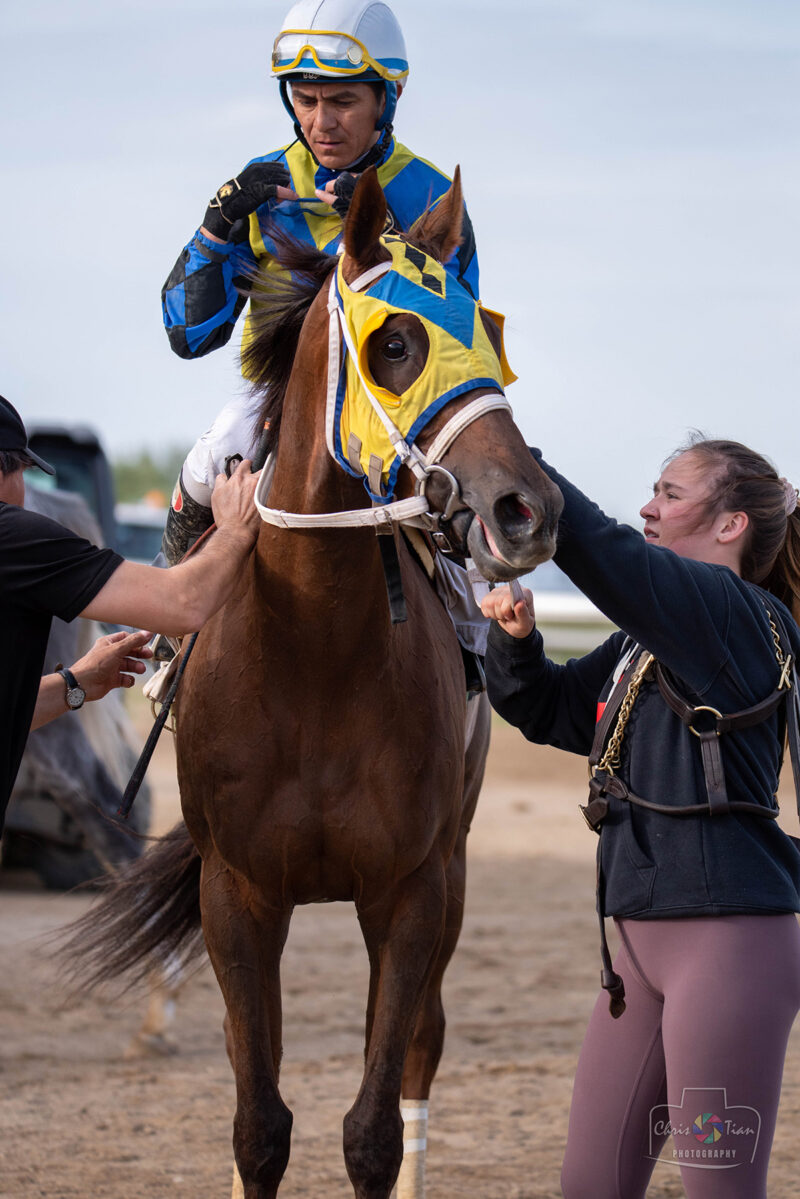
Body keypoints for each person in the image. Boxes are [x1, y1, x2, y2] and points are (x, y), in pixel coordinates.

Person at [481, 437, 800, 1199]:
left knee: (721, 1191)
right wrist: (518, 644)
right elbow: (555, 711)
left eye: (671, 492)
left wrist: (505, 448)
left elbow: (609, 555)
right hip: (635, 949)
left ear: (730, 527)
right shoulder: (646, 642)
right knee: (591, 1184)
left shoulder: (736, 613)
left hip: (731, 950)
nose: (649, 507)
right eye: (651, 491)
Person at [160, 0, 480, 562]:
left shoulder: (432, 195)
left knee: (480, 574)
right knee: (218, 447)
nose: (321, 123)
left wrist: (389, 235)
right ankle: (167, 623)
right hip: (279, 410)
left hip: (399, 416)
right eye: (305, 100)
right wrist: (213, 233)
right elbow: (189, 337)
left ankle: (485, 648)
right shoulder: (262, 187)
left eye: (343, 102)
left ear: (389, 97)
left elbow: (460, 332)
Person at [0, 395, 261, 835]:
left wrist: (76, 685)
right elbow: (184, 604)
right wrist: (235, 530)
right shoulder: (11, 536)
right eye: (23, 474)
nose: (24, 496)